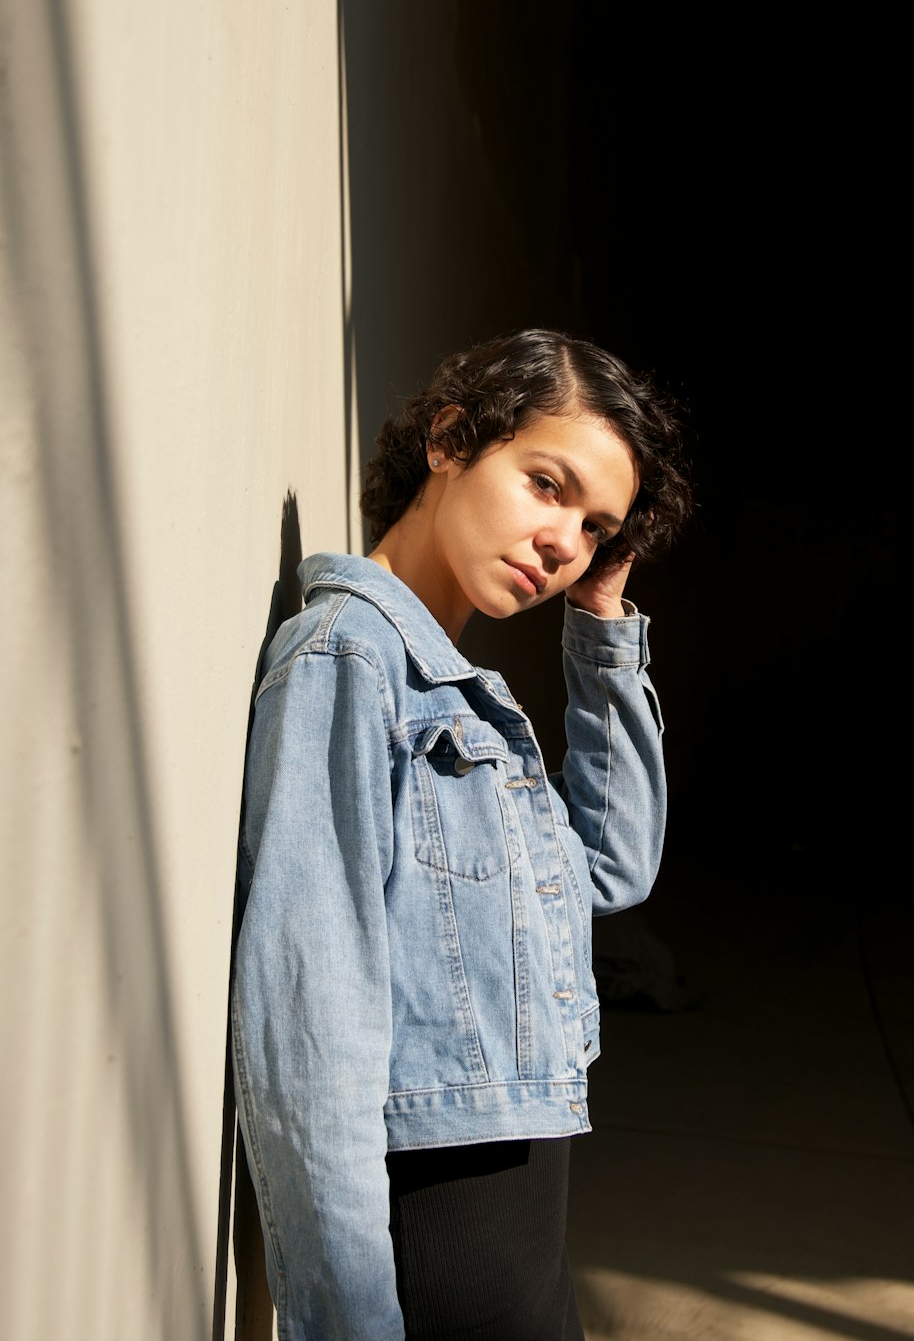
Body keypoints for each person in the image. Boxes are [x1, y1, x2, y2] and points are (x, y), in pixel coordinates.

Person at [231, 327, 691, 1340]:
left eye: (595, 525)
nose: (564, 541)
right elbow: (310, 1035)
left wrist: (603, 625)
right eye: (546, 484)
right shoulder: (349, 665)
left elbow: (612, 867)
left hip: (519, 1234)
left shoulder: (460, 698)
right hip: (443, 1236)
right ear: (448, 440)